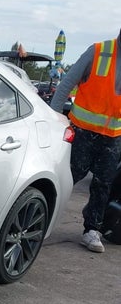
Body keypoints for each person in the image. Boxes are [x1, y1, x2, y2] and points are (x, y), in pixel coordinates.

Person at [51, 29, 121, 253]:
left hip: (113, 137)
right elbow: (66, 84)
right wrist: (52, 118)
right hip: (82, 132)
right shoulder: (99, 52)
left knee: (103, 184)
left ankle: (92, 230)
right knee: (68, 176)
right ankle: (43, 218)